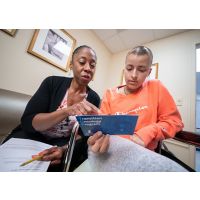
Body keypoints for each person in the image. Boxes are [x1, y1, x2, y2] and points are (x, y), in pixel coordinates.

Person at [4, 45, 109, 171]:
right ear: (71, 65)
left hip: (61, 143)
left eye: (92, 65)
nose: (88, 68)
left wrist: (63, 150)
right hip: (32, 136)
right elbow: (28, 121)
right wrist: (66, 111)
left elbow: (82, 135)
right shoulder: (52, 82)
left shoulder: (94, 98)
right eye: (82, 62)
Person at [88, 45, 184, 152]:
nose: (134, 75)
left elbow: (175, 122)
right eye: (129, 68)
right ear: (124, 69)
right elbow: (104, 128)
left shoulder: (156, 87)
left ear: (149, 72)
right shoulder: (110, 93)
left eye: (141, 70)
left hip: (142, 154)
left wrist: (148, 133)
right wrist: (96, 134)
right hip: (112, 151)